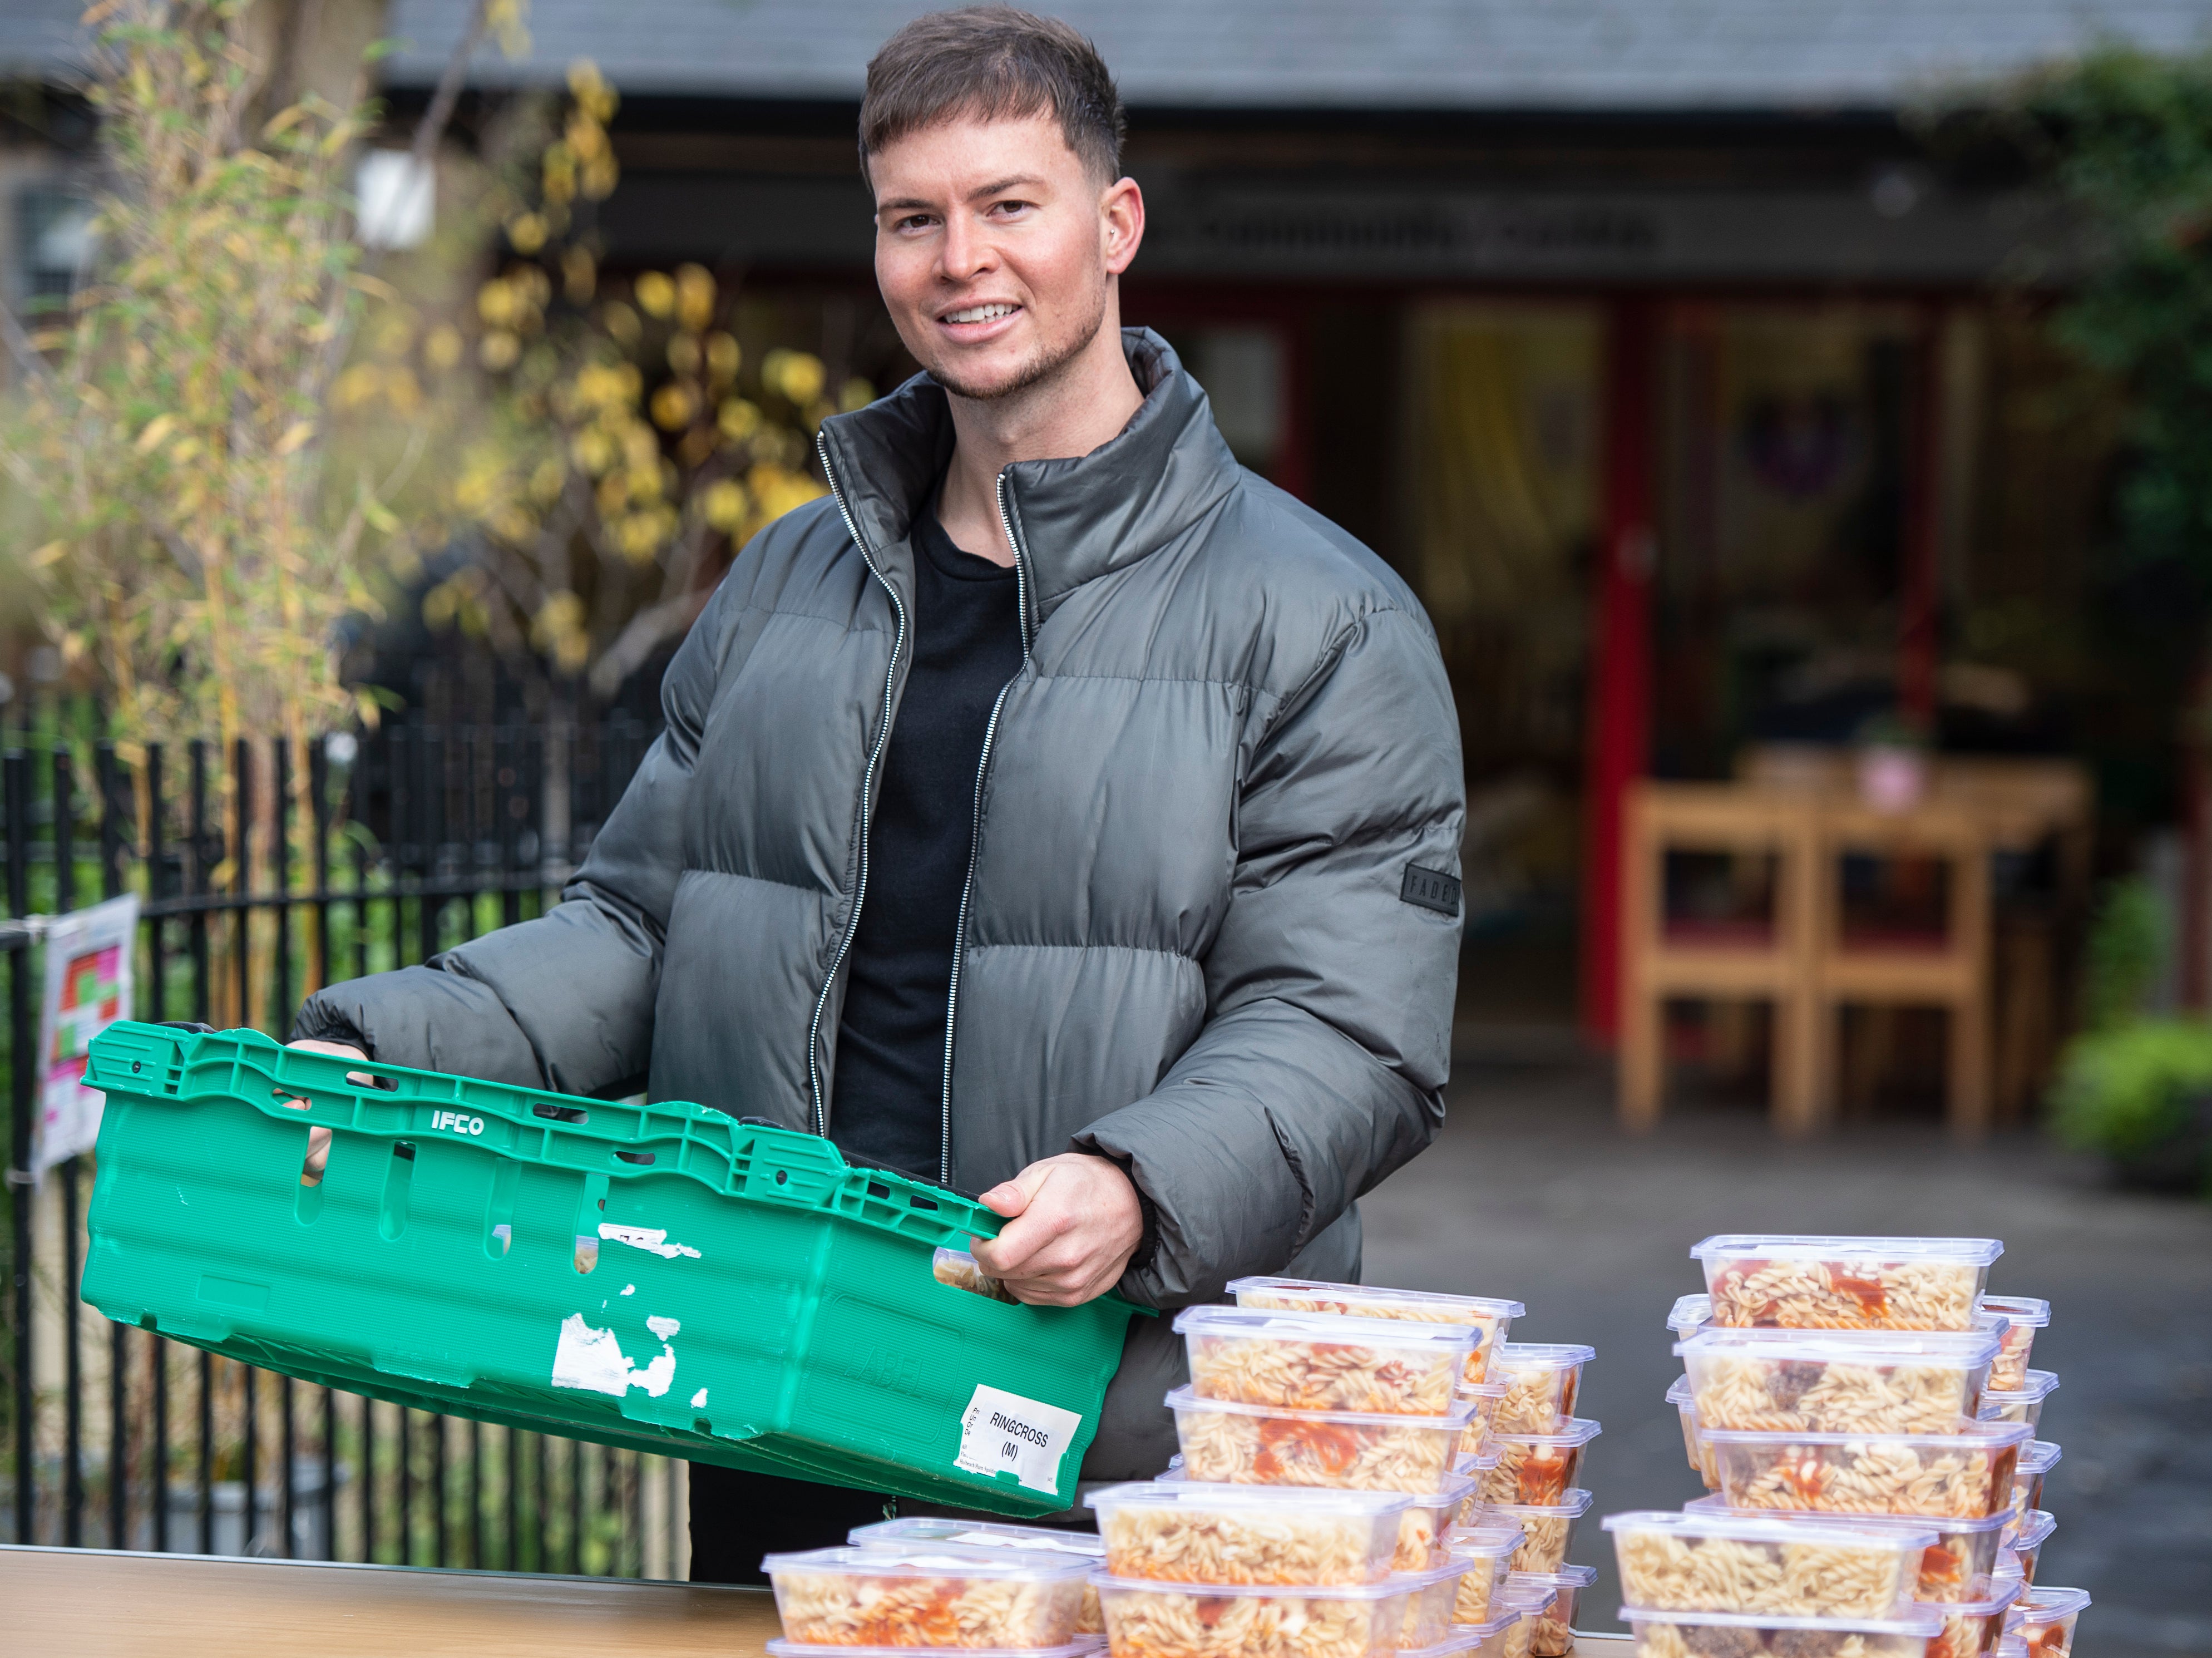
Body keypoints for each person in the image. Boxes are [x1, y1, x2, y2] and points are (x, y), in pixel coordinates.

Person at [292, 6, 1465, 1582]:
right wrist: (387, 1043)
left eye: (1008, 206)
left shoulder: (1323, 619)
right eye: (915, 219)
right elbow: (645, 924)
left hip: (1113, 1438)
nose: (961, 259)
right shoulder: (793, 579)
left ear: (1113, 225)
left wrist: (1140, 1183)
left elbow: (1349, 1029)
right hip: (778, 1396)